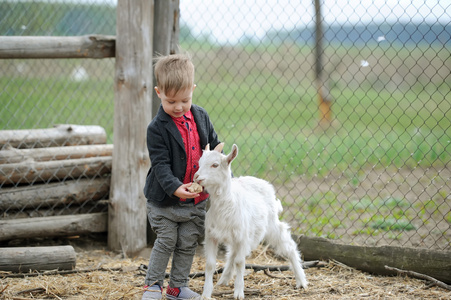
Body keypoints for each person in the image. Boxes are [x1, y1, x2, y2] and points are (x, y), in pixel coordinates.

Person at [142, 53, 222, 300]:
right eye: (171, 101)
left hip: (195, 201)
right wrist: (176, 188)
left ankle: (177, 288)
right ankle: (153, 285)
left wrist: (218, 155)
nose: (178, 106)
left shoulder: (201, 116)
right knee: (167, 239)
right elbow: (161, 166)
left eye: (185, 100)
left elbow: (215, 144)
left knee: (188, 241)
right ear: (159, 93)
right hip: (164, 201)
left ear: (193, 90)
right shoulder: (157, 129)